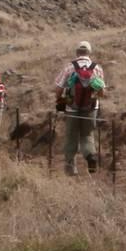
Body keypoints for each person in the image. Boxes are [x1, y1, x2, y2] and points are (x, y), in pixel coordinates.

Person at [53, 40, 107, 177]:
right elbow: (102, 92)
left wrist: (59, 100)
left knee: (71, 137)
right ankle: (90, 157)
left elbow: (58, 88)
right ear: (89, 52)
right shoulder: (97, 68)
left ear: (77, 52)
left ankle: (71, 169)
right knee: (87, 135)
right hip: (90, 108)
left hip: (72, 108)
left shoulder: (69, 67)